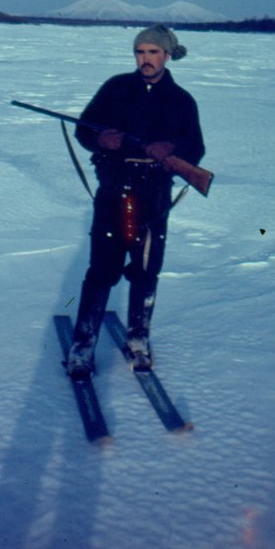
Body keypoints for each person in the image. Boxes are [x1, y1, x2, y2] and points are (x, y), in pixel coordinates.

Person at [66, 24, 205, 378]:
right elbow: (84, 129)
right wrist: (102, 141)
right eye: (140, 52)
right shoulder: (115, 89)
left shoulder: (182, 101)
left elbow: (196, 147)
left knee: (146, 269)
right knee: (101, 270)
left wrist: (171, 148)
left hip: (154, 197)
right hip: (114, 192)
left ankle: (139, 340)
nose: (146, 59)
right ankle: (83, 346)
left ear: (168, 55)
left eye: (153, 52)